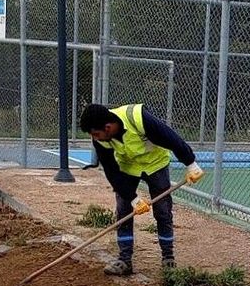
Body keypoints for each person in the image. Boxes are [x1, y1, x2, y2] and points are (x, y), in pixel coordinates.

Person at [79, 103, 205, 275]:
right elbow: (112, 172)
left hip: (155, 165)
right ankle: (124, 260)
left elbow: (171, 138)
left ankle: (168, 258)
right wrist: (133, 198)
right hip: (128, 168)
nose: (95, 138)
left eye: (96, 134)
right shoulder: (101, 141)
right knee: (123, 210)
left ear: (107, 128)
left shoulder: (137, 117)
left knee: (162, 210)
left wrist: (190, 163)